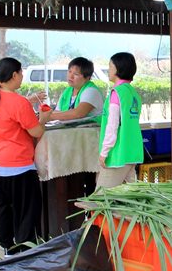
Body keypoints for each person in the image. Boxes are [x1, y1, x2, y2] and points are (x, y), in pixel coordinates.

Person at [0, 57, 45, 255]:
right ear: (14, 75)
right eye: (21, 73)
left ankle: (8, 247)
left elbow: (7, 111)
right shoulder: (19, 102)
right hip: (17, 165)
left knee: (1, 208)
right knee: (27, 209)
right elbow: (36, 132)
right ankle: (24, 248)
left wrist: (28, 101)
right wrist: (44, 118)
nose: (22, 76)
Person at [97, 52, 144, 188]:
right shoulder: (133, 93)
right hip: (132, 153)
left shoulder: (116, 93)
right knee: (129, 200)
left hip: (118, 154)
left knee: (100, 200)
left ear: (118, 68)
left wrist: (104, 152)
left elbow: (112, 126)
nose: (108, 70)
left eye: (110, 66)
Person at [38, 57, 104, 123]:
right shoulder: (67, 92)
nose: (71, 76)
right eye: (69, 71)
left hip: (92, 132)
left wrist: (50, 117)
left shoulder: (91, 91)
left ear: (87, 78)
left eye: (76, 74)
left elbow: (78, 113)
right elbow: (57, 112)